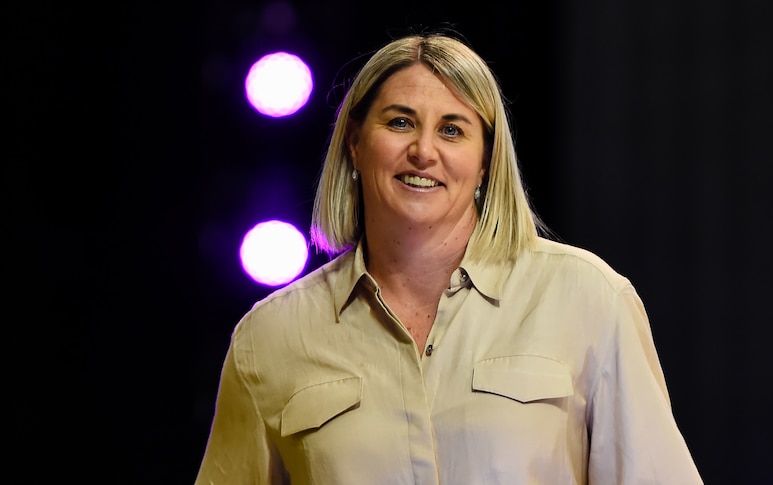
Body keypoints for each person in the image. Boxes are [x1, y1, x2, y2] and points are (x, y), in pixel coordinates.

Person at [194, 30, 703, 485]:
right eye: (399, 122)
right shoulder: (269, 338)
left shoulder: (588, 299)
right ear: (354, 143)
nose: (423, 150)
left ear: (485, 161)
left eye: (453, 129)